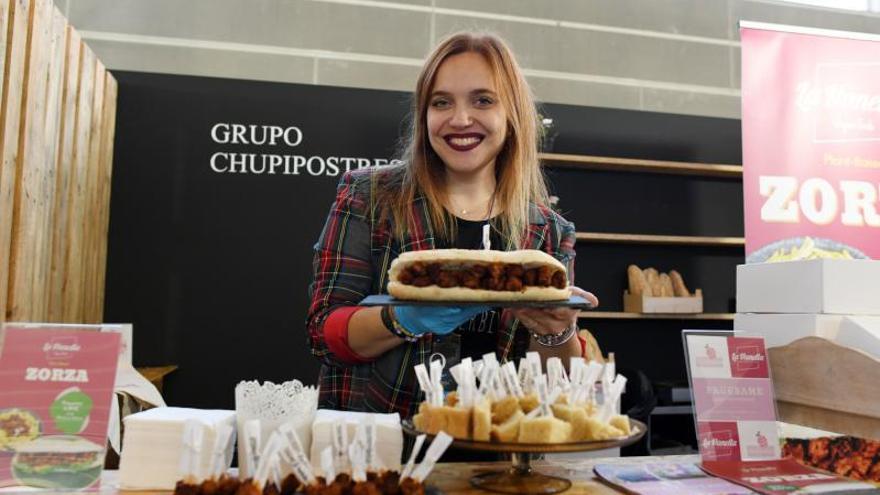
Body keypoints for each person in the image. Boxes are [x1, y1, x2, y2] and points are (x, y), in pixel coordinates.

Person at [306, 31, 599, 417]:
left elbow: (555, 384)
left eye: (483, 100)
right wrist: (403, 318)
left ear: (511, 113)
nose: (460, 119)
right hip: (386, 455)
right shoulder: (370, 196)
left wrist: (557, 330)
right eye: (441, 102)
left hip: (498, 461)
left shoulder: (547, 231)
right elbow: (324, 333)